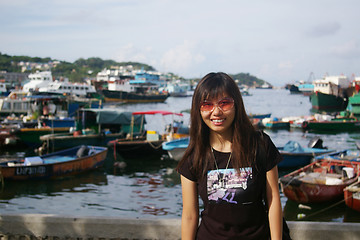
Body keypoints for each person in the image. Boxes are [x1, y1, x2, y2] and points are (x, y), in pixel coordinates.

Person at [177, 72, 284, 239]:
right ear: (198, 110)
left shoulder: (260, 145)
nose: (216, 112)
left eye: (224, 103)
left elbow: (273, 201)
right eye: (207, 105)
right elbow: (190, 215)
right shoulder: (194, 156)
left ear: (236, 105)